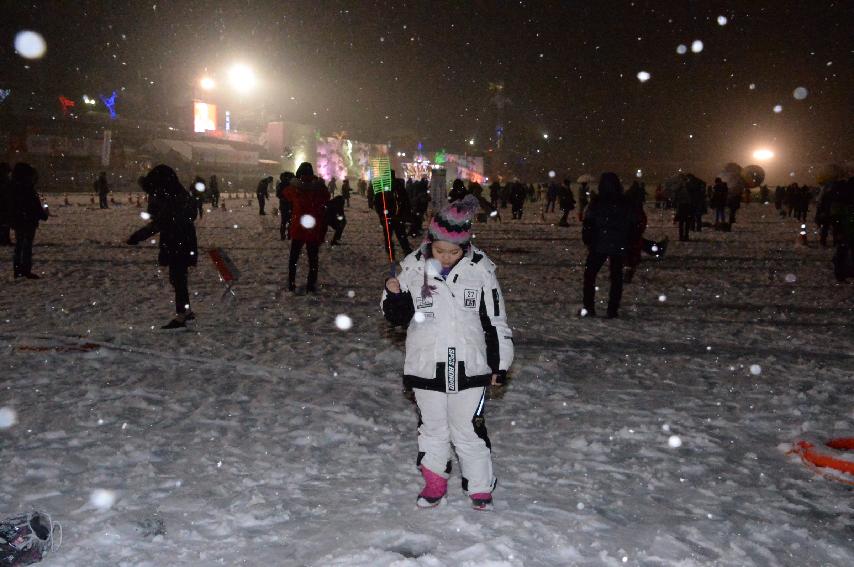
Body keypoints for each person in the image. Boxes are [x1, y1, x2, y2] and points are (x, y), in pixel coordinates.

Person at [381, 194, 514, 511]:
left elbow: (495, 320)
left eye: (454, 251)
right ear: (430, 242)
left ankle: (480, 487)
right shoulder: (413, 269)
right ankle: (434, 483)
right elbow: (397, 317)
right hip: (426, 365)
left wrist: (499, 363)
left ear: (465, 246)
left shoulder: (480, 272)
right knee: (432, 429)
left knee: (467, 429)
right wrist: (393, 293)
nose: (446, 257)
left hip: (470, 366)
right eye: (440, 250)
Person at [127, 165, 198, 328]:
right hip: (183, 239)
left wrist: (137, 237)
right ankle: (185, 312)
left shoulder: (172, 197)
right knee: (178, 278)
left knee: (178, 278)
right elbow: (186, 215)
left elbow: (160, 222)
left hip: (177, 241)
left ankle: (182, 315)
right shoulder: (179, 193)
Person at [581, 172, 636, 318]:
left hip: (599, 243)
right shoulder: (624, 202)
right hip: (618, 244)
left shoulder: (598, 202)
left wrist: (588, 239)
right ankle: (612, 309)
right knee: (616, 278)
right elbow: (632, 223)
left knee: (590, 275)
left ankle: (589, 307)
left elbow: (589, 222)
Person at [283, 162, 329, 292]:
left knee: (294, 258)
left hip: (298, 228)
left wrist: (292, 181)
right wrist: (319, 183)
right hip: (313, 229)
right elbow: (326, 197)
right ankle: (311, 284)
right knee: (313, 259)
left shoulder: (294, 188)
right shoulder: (319, 188)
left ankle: (291, 283)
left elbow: (285, 194)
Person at [10, 163, 49, 279]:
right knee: (26, 246)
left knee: (19, 245)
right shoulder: (27, 189)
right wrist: (43, 214)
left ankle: (18, 269)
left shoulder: (15, 187)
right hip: (28, 220)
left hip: (19, 220)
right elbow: (34, 206)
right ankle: (25, 269)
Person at [276, 172, 294, 241]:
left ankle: (283, 235)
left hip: (284, 206)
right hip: (290, 206)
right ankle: (289, 235)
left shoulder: (281, 185)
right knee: (290, 222)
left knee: (283, 221)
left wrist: (284, 198)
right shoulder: (292, 185)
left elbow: (278, 195)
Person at [0, 163, 12, 245]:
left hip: (5, 205)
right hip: (4, 205)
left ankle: (5, 239)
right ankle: (5, 239)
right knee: (4, 224)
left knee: (5, 224)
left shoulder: (6, 180)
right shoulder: (5, 180)